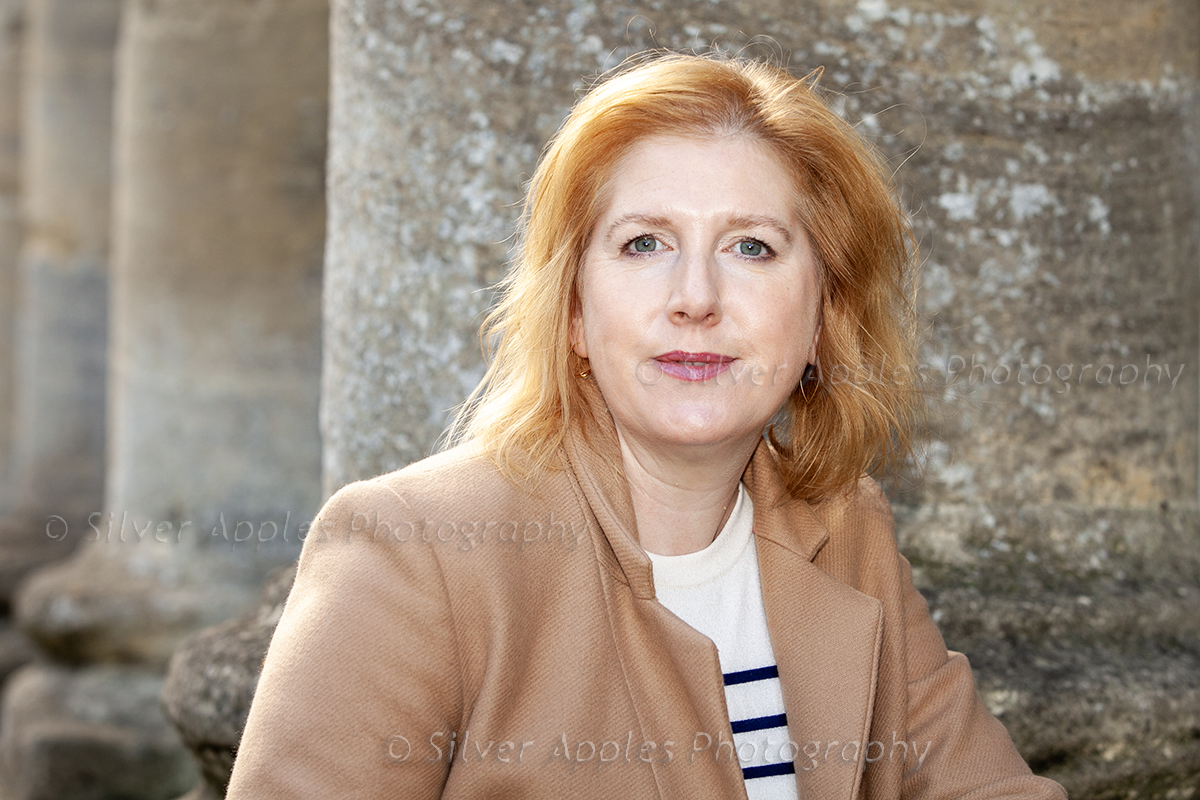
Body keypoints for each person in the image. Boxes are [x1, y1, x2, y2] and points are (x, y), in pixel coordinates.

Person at [227, 53, 1067, 800]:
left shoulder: (848, 529)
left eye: (751, 247)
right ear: (573, 312)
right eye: (644, 244)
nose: (695, 297)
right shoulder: (410, 551)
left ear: (824, 318)